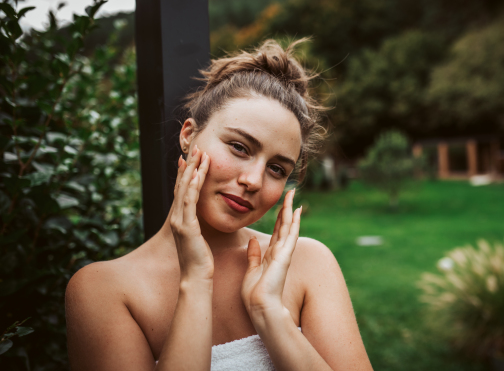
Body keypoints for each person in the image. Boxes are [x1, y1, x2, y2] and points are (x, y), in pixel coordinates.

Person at [65, 39, 373, 371]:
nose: (253, 180)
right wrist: (196, 281)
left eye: (276, 169)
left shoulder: (309, 264)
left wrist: (270, 313)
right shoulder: (103, 291)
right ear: (188, 135)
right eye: (239, 147)